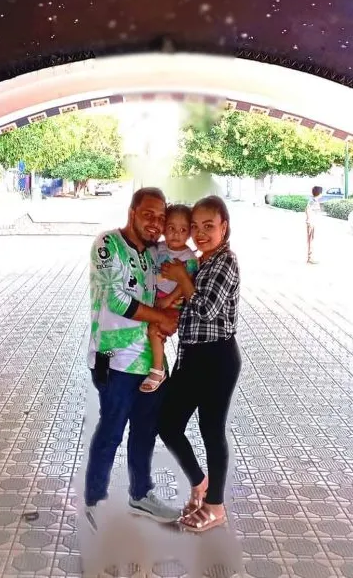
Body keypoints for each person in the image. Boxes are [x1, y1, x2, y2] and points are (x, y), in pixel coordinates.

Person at [84, 187, 181, 527]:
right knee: (111, 430)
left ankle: (140, 495)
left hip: (149, 363)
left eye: (160, 218)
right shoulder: (108, 245)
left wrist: (172, 309)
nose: (155, 223)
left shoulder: (154, 255)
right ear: (132, 212)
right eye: (148, 215)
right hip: (114, 360)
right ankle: (95, 501)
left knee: (145, 431)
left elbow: (165, 291)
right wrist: (161, 318)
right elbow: (117, 300)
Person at [158, 195, 241, 533]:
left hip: (217, 358)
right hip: (192, 357)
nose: (201, 233)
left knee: (211, 431)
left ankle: (216, 506)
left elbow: (206, 309)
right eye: (196, 227)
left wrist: (181, 277)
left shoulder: (226, 262)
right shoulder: (202, 261)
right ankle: (200, 482)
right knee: (167, 423)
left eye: (210, 226)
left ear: (225, 227)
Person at [140, 204, 198, 393]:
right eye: (171, 228)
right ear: (164, 228)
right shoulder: (159, 248)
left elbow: (186, 283)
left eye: (183, 230)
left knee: (154, 329)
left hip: (173, 303)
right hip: (156, 300)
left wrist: (168, 300)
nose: (176, 234)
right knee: (149, 328)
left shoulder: (188, 256)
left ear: (189, 232)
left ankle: (158, 369)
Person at [305, 185, 323, 264]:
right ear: (319, 193)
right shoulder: (312, 201)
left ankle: (310, 257)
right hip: (311, 222)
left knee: (312, 239)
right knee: (311, 240)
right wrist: (309, 220)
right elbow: (307, 210)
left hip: (313, 222)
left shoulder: (315, 201)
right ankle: (310, 258)